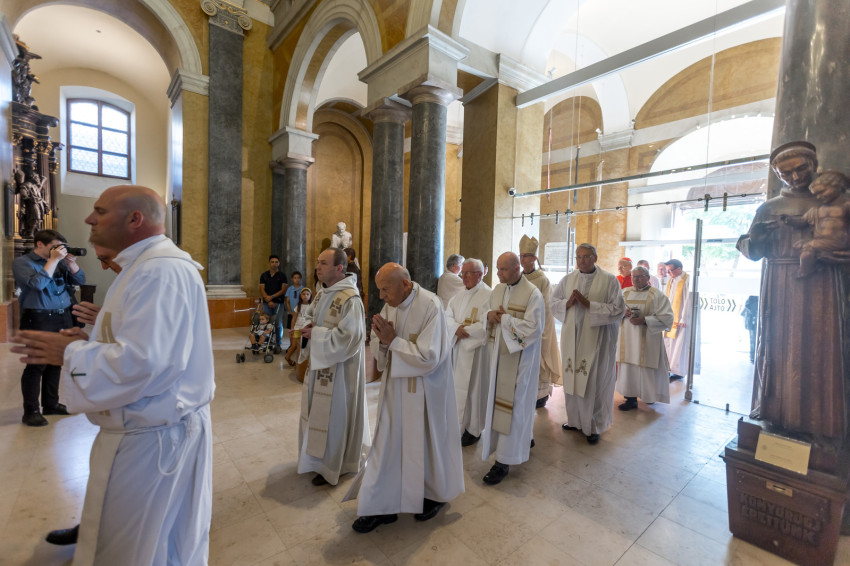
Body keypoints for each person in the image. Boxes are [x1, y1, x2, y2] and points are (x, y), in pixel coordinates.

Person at [11, 185, 215, 564]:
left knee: (136, 552)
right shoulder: (144, 266)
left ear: (135, 219)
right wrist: (92, 338)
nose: (89, 219)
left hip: (152, 442)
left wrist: (69, 353)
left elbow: (148, 363)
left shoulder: (159, 271)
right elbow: (143, 340)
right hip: (146, 432)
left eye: (100, 211)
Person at [737, 141, 845, 438]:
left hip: (819, 284)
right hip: (778, 283)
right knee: (777, 345)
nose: (795, 177)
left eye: (801, 169)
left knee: (817, 344)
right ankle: (775, 413)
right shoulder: (769, 207)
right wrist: (756, 237)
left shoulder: (833, 201)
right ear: (777, 174)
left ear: (814, 164)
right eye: (785, 173)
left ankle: (818, 420)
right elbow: (751, 250)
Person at [345, 263, 463, 533]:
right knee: (388, 445)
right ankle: (381, 505)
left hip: (426, 392)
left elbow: (430, 358)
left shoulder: (431, 306)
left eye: (385, 289)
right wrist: (382, 340)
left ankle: (434, 495)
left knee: (427, 444)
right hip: (396, 389)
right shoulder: (392, 305)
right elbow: (382, 345)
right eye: (379, 290)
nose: (381, 296)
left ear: (406, 285)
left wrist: (393, 341)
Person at [296, 248, 371, 486]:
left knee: (334, 417)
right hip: (320, 366)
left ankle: (333, 466)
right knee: (316, 414)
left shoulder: (350, 299)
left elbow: (351, 338)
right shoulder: (322, 293)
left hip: (340, 371)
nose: (317, 267)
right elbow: (310, 316)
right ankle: (314, 461)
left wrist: (316, 334)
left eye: (323, 263)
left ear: (339, 268)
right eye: (318, 262)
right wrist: (308, 326)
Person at [480, 252, 544, 485]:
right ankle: (524, 437)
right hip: (498, 357)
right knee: (501, 406)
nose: (498, 273)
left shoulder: (533, 294)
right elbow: (487, 313)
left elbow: (533, 329)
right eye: (497, 268)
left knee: (515, 406)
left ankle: (504, 461)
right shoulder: (498, 290)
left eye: (503, 269)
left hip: (520, 361)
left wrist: (505, 320)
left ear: (517, 268)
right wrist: (489, 315)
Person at [551, 243, 624, 445]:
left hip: (597, 342)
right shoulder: (568, 279)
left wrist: (589, 305)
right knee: (573, 380)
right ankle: (575, 421)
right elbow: (553, 302)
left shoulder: (609, 280)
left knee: (594, 382)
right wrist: (567, 303)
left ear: (595, 258)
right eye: (578, 257)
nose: (581, 261)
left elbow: (618, 309)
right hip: (572, 340)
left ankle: (594, 426)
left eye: (586, 257)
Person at [13, 229, 86, 426]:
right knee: (37, 364)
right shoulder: (22, 262)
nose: (60, 251)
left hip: (63, 316)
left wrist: (71, 264)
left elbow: (80, 281)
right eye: (55, 247)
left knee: (55, 362)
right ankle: (31, 411)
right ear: (40, 244)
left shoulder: (61, 262)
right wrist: (53, 261)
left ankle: (51, 404)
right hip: (39, 318)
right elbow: (37, 285)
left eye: (62, 247)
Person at [445, 258, 492, 446]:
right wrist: (456, 328)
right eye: (462, 273)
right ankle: (457, 426)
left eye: (467, 273)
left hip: (477, 353)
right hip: (458, 349)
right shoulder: (458, 296)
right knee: (457, 389)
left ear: (479, 275)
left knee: (474, 390)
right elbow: (447, 316)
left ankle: (474, 429)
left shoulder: (489, 295)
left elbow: (488, 324)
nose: (463, 277)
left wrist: (467, 331)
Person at [615, 266, 674, 411]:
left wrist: (645, 320)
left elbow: (667, 317)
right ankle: (630, 399)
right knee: (628, 369)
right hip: (627, 340)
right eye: (634, 277)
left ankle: (649, 396)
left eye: (640, 276)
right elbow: (613, 311)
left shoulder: (656, 295)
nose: (636, 279)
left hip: (647, 340)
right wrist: (622, 313)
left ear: (648, 277)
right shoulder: (624, 292)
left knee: (646, 368)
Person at [518, 235, 562, 409]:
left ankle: (541, 395)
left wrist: (535, 324)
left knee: (540, 360)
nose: (523, 259)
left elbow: (546, 306)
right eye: (521, 256)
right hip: (521, 326)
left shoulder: (542, 280)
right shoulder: (519, 278)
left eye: (526, 256)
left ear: (534, 258)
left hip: (538, 326)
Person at [780, 170, 850, 276]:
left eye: (822, 192)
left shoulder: (846, 206)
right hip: (822, 241)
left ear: (836, 186)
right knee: (798, 246)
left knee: (807, 248)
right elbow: (802, 222)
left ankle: (805, 271)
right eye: (816, 194)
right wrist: (790, 221)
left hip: (839, 242)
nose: (819, 197)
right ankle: (815, 262)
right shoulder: (816, 211)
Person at [662, 258, 696, 381]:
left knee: (679, 345)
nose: (668, 273)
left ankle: (678, 371)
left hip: (681, 319)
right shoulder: (671, 280)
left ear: (679, 269)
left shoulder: (687, 280)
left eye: (670, 270)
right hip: (669, 317)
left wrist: (683, 318)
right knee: (668, 343)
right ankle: (668, 368)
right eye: (667, 271)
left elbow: (688, 300)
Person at [260, 254, 288, 345]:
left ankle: (278, 343)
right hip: (266, 303)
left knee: (278, 323)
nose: (274, 264)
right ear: (269, 263)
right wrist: (268, 300)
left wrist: (271, 297)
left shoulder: (282, 275)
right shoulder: (264, 275)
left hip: (279, 303)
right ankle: (268, 341)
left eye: (276, 262)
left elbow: (283, 290)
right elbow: (261, 289)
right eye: (272, 262)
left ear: (279, 263)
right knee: (267, 323)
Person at [285, 287, 313, 368]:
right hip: (297, 328)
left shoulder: (312, 306)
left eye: (307, 294)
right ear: (300, 296)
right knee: (294, 346)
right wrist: (292, 329)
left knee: (303, 347)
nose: (305, 296)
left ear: (310, 296)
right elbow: (294, 318)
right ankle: (287, 357)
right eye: (303, 294)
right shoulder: (298, 306)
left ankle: (300, 364)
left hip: (306, 329)